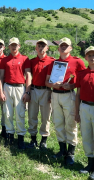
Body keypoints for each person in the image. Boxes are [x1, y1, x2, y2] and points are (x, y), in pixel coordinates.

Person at [45, 37, 86, 165]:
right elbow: (47, 82)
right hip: (55, 95)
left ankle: (71, 153)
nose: (63, 47)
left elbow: (83, 81)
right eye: (61, 45)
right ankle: (62, 150)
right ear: (58, 48)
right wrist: (53, 85)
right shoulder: (53, 63)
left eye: (66, 45)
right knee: (58, 123)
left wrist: (72, 86)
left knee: (71, 124)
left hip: (69, 95)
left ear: (71, 48)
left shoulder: (77, 62)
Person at [0, 37, 31, 150]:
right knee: (7, 113)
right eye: (12, 45)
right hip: (7, 87)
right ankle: (10, 136)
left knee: (20, 113)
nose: (14, 47)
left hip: (20, 88)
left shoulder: (25, 59)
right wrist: (1, 91)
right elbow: (1, 77)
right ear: (8, 47)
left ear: (19, 46)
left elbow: (28, 76)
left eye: (15, 45)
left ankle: (21, 138)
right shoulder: (4, 60)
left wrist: (27, 91)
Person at [27, 39, 55, 149]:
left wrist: (51, 92)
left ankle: (43, 140)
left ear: (47, 48)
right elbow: (29, 77)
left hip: (46, 91)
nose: (41, 47)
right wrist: (28, 91)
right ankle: (33, 139)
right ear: (36, 48)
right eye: (39, 45)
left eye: (43, 46)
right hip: (34, 90)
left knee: (45, 116)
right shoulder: (32, 61)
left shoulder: (52, 61)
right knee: (32, 115)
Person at [75, 46, 94, 178]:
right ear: (86, 57)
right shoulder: (82, 74)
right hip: (85, 106)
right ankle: (90, 164)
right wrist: (77, 112)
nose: (92, 58)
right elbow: (78, 94)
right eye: (89, 55)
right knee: (86, 136)